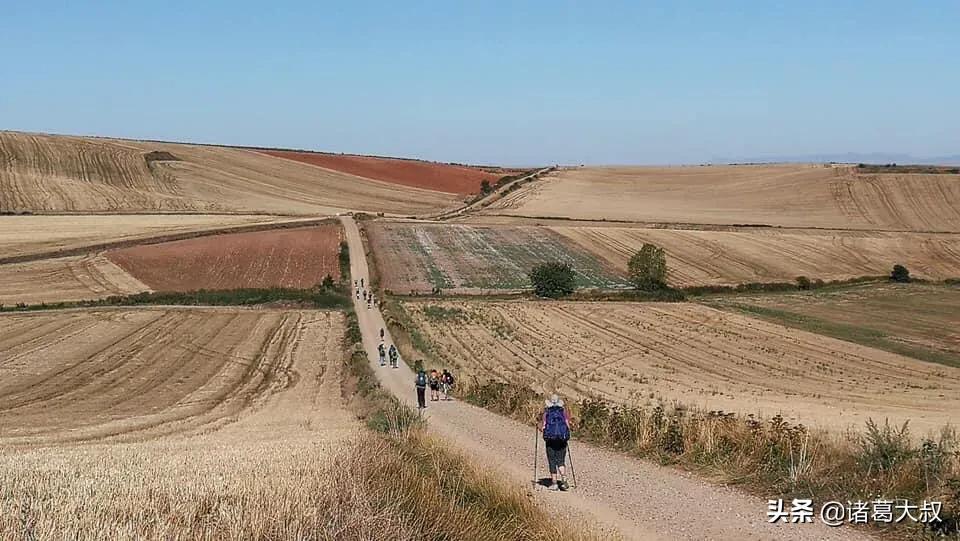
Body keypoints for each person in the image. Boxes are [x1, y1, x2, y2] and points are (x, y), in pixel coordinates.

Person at [540, 394, 572, 491]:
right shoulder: (563, 412)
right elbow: (568, 426)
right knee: (561, 460)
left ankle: (554, 484)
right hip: (562, 440)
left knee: (552, 461)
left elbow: (543, 427)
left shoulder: (546, 413)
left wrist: (539, 427)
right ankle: (564, 481)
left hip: (550, 440)